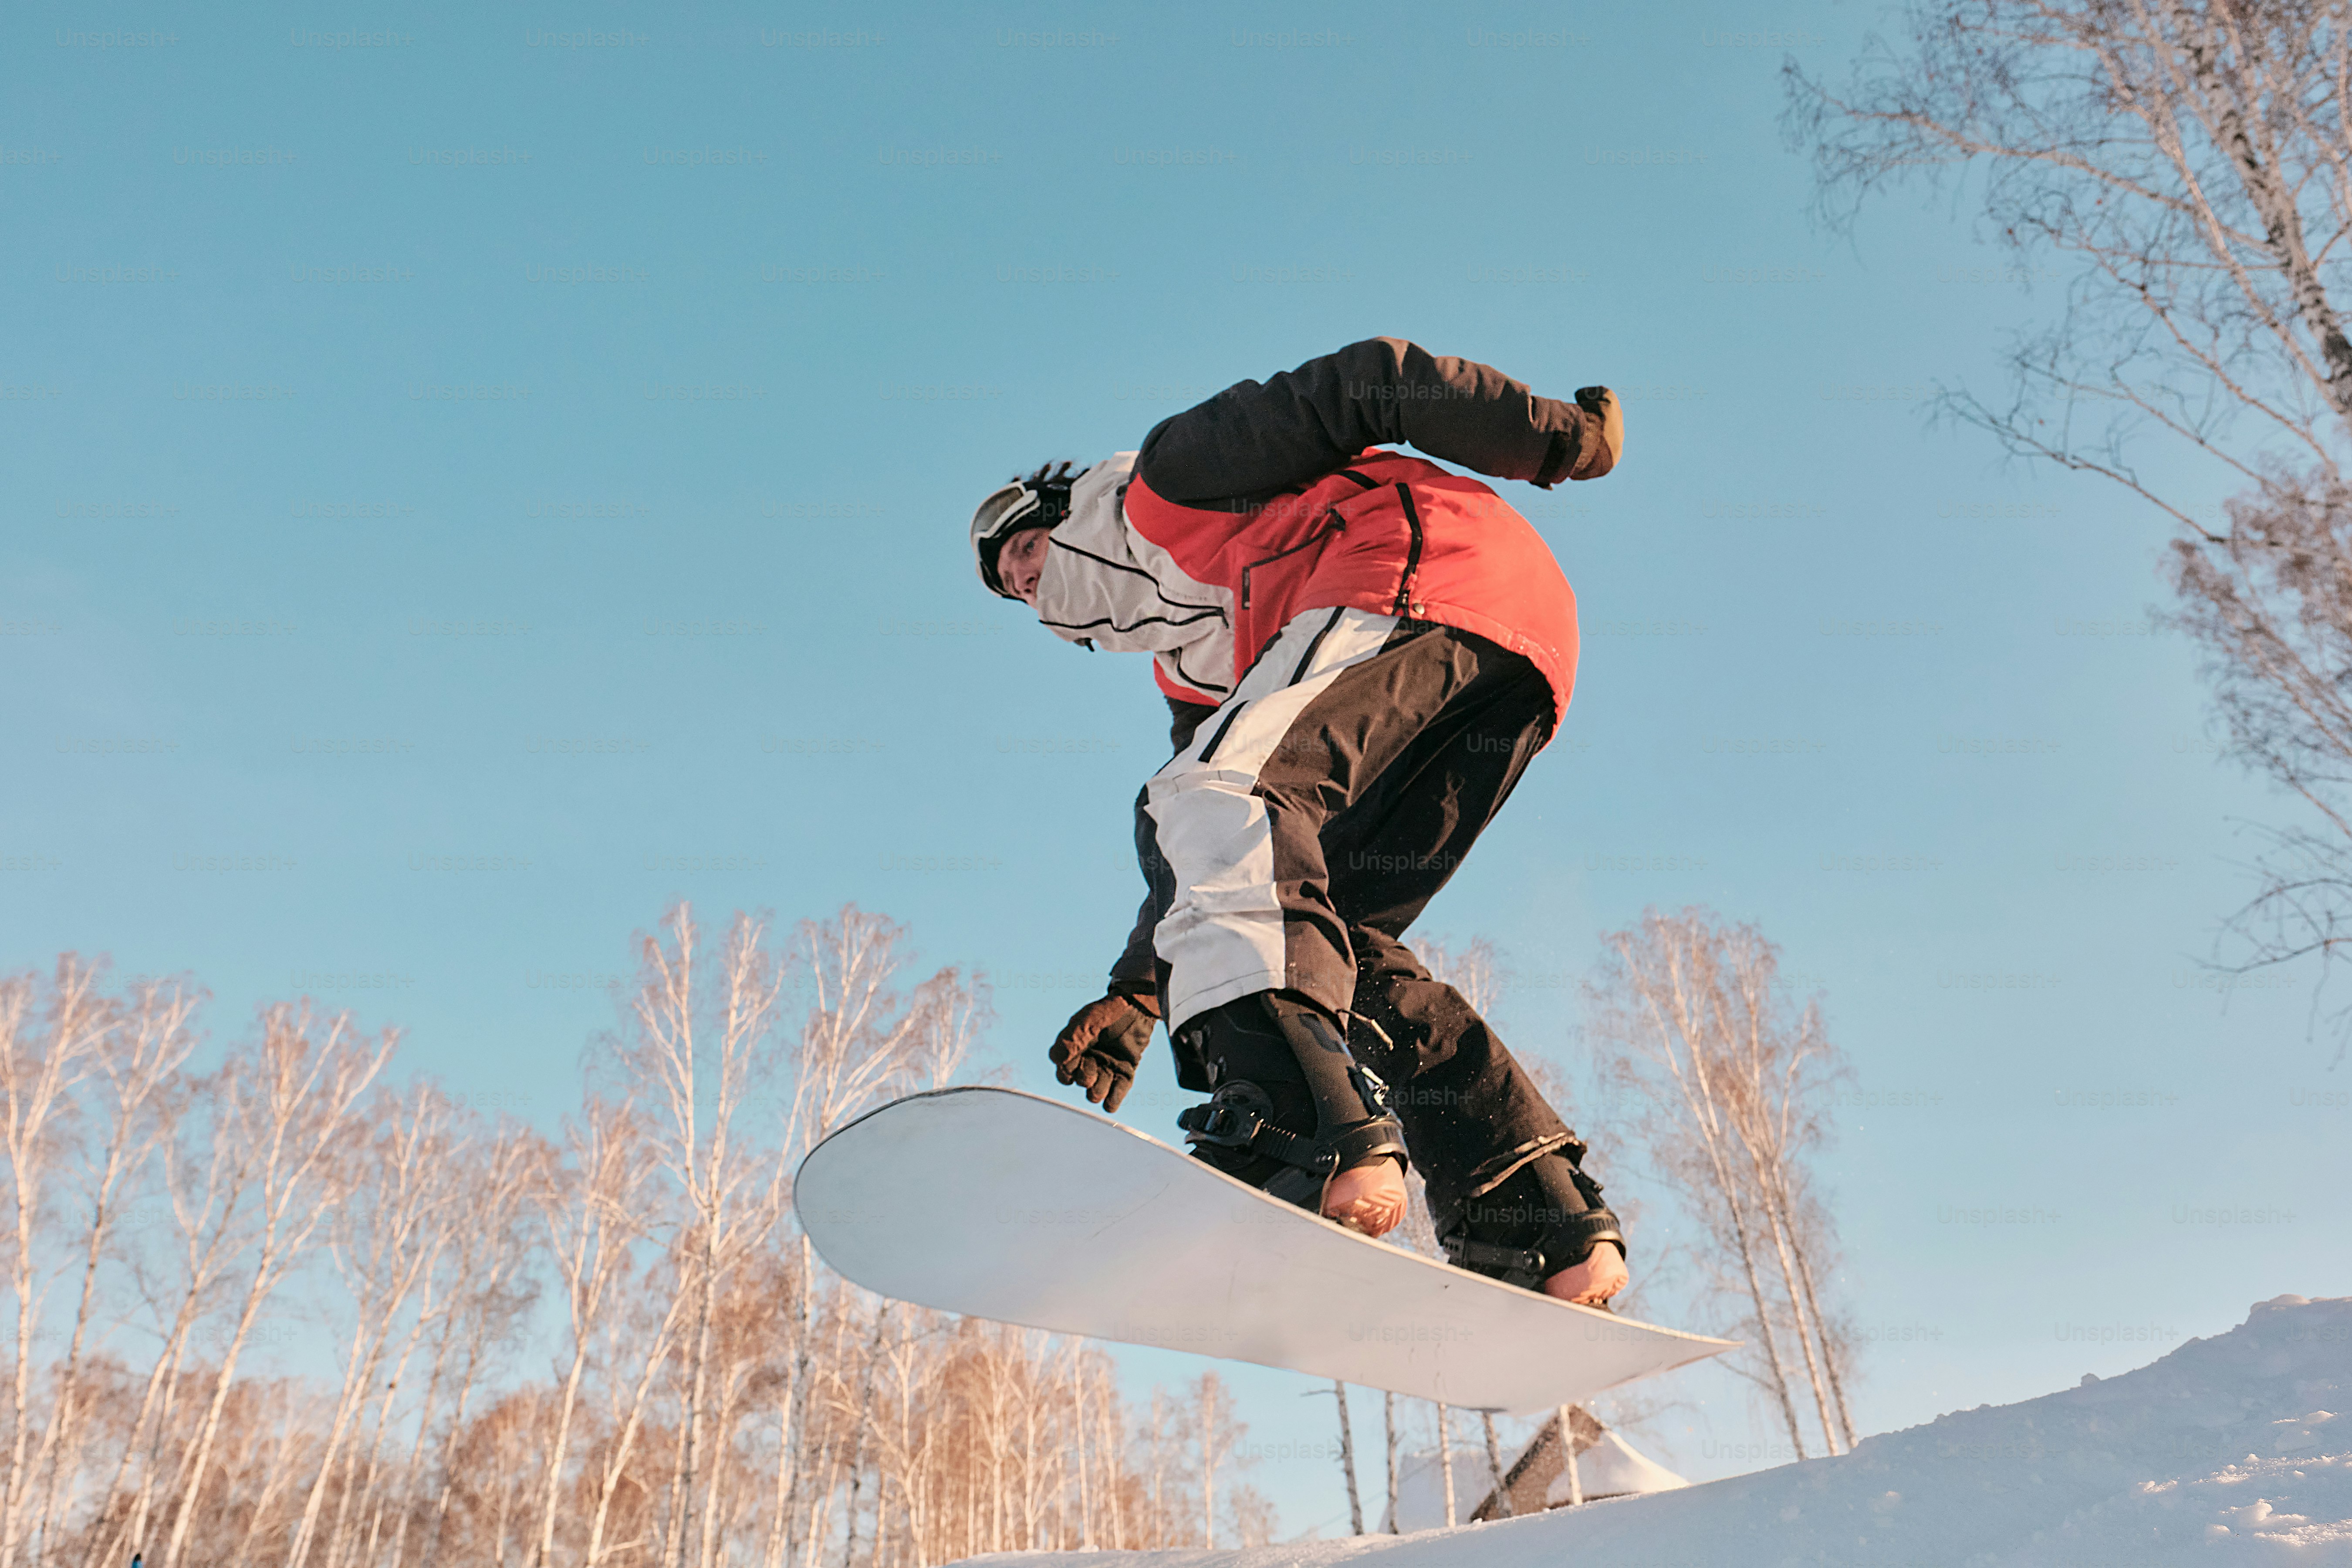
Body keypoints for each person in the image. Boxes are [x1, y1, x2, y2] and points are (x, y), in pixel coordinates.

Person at [968, 338, 1629, 1306]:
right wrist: (1141, 990)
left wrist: (1553, 442)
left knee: (1212, 794)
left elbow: (1366, 383)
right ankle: (1533, 1216)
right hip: (1508, 664)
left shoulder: (1167, 486)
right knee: (1333, 938)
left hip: (1424, 574)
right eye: (1009, 591)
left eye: (1022, 552)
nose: (1025, 585)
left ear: (1065, 515)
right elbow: (1220, 860)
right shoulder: (1201, 666)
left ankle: (1301, 1125)